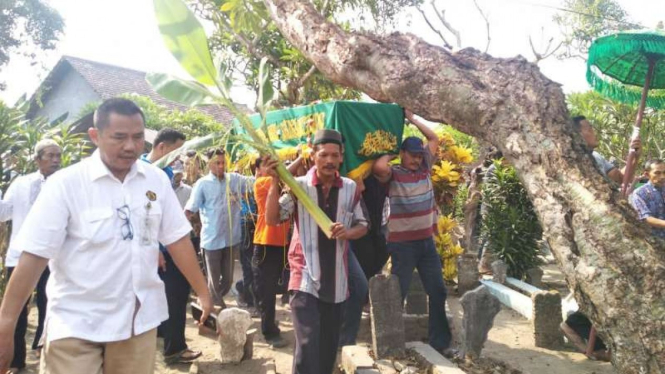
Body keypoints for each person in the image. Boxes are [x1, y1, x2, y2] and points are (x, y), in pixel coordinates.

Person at [0, 98, 212, 374]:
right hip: (77, 325)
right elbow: (34, 256)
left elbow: (177, 239)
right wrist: (6, 324)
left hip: (137, 322)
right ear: (95, 136)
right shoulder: (65, 185)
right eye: (119, 137)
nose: (130, 146)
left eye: (138, 137)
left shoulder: (156, 180)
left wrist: (204, 292)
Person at [266, 129, 368, 374]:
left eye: (334, 155)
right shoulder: (299, 186)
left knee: (328, 346)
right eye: (323, 155)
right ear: (313, 156)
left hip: (337, 280)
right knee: (308, 342)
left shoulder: (351, 188)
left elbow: (363, 225)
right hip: (304, 276)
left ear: (341, 157)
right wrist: (274, 181)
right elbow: (272, 219)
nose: (329, 161)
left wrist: (347, 232)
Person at [373, 110, 453, 355]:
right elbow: (378, 165)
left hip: (426, 243)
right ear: (403, 154)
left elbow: (434, 139)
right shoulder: (394, 173)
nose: (417, 159)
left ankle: (439, 342)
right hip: (402, 245)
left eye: (419, 156)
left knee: (438, 291)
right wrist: (394, 145)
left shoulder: (425, 168)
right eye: (412, 155)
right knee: (398, 293)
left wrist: (414, 119)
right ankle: (389, 341)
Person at [140, 128, 202, 364]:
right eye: (177, 152)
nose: (179, 159)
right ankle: (174, 348)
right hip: (158, 249)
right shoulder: (142, 172)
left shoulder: (164, 172)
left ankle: (166, 338)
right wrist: (154, 246)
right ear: (162, 147)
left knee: (170, 295)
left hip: (167, 246)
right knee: (175, 296)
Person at [0, 139, 61, 372]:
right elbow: (5, 213)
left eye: (58, 155)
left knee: (50, 304)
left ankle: (44, 350)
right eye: (50, 155)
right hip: (20, 254)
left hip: (54, 257)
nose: (56, 160)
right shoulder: (21, 183)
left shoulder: (66, 183)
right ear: (37, 159)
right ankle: (16, 362)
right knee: (17, 309)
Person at [185, 148, 255, 308]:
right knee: (213, 279)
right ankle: (217, 308)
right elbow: (190, 209)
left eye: (223, 162)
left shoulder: (235, 180)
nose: (221, 166)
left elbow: (255, 182)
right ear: (210, 164)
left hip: (230, 239)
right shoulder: (202, 184)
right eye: (217, 163)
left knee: (228, 278)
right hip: (211, 239)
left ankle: (208, 300)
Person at [251, 157, 291, 348]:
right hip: (265, 244)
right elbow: (288, 173)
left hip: (283, 245)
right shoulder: (261, 183)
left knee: (279, 287)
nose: (275, 169)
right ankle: (269, 332)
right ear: (258, 169)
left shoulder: (286, 183)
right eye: (268, 165)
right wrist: (303, 155)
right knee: (267, 292)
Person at [573, 115, 641, 184]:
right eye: (590, 129)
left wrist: (634, 157)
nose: (595, 133)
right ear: (577, 134)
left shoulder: (597, 156)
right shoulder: (573, 161)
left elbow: (620, 178)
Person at [629, 159, 665, 239]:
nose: (662, 177)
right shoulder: (640, 193)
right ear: (647, 174)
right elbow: (645, 218)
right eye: (657, 173)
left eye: (664, 172)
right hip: (655, 242)